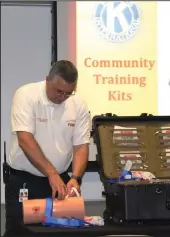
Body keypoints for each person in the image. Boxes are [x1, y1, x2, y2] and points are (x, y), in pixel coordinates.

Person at [4, 60, 91, 236]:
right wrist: (51, 173)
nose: (63, 97)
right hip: (24, 180)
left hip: (60, 183)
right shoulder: (26, 95)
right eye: (59, 91)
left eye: (68, 93)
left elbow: (81, 145)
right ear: (47, 80)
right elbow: (25, 140)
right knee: (20, 232)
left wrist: (76, 178)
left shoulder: (78, 103)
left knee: (62, 232)